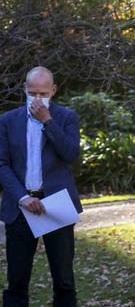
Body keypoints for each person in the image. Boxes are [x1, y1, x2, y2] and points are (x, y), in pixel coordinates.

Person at [0, 66, 83, 306]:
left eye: (43, 94)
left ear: (53, 91)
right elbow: (2, 164)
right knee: (16, 281)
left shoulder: (67, 117)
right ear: (25, 89)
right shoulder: (7, 121)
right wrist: (22, 198)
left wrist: (47, 121)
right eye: (32, 93)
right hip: (21, 208)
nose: (37, 99)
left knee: (64, 280)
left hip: (56, 205)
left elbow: (71, 155)